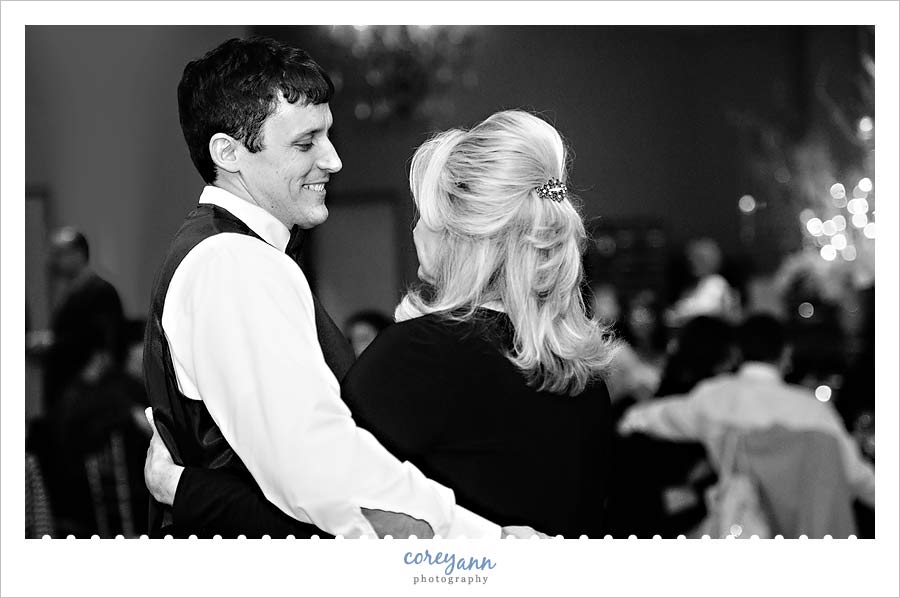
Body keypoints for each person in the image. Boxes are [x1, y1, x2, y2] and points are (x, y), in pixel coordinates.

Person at [144, 107, 619, 538]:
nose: (416, 230)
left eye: (424, 214)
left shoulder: (419, 357)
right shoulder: (587, 381)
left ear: (460, 236)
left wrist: (182, 487)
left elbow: (329, 526)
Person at [618, 313, 875, 537]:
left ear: (738, 352)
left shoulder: (714, 397)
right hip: (803, 529)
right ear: (785, 355)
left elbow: (639, 419)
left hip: (739, 526)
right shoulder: (813, 410)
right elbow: (856, 475)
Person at [26, 227, 126, 409]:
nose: (52, 261)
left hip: (84, 394)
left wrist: (52, 344)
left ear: (78, 253)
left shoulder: (100, 291)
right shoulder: (72, 291)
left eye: (59, 254)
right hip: (66, 388)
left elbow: (106, 343)